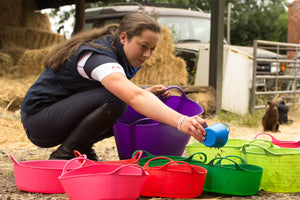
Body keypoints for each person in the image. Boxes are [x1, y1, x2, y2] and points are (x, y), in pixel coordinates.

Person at [20, 12, 207, 161]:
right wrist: (181, 121)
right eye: (143, 46)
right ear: (124, 37)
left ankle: (81, 149)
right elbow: (131, 96)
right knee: (118, 99)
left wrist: (144, 93)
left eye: (152, 49)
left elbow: (122, 94)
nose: (148, 54)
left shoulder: (118, 51)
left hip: (58, 116)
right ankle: (63, 156)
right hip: (40, 123)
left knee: (130, 102)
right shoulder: (97, 57)